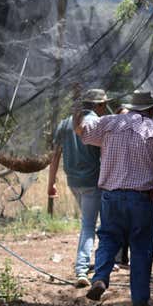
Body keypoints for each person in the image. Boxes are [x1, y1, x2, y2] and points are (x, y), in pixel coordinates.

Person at [73, 89, 153, 306]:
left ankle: (100, 277)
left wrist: (76, 109)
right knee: (141, 248)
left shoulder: (109, 123)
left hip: (111, 197)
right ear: (150, 110)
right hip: (141, 199)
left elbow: (80, 130)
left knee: (108, 239)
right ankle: (139, 302)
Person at [47, 88, 109, 288]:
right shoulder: (97, 124)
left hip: (73, 181)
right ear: (98, 105)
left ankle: (102, 261)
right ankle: (82, 269)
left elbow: (55, 155)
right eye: (103, 105)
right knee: (90, 225)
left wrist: (51, 183)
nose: (105, 108)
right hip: (93, 181)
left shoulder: (64, 124)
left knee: (90, 223)